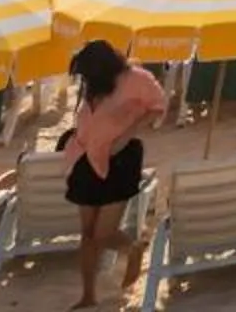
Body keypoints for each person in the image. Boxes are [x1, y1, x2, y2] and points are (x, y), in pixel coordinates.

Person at [63, 39, 164, 309]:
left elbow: (158, 106)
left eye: (87, 74)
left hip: (121, 159)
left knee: (102, 233)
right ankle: (88, 295)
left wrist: (128, 132)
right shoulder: (94, 83)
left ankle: (133, 249)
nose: (84, 79)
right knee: (87, 233)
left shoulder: (136, 79)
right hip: (86, 156)